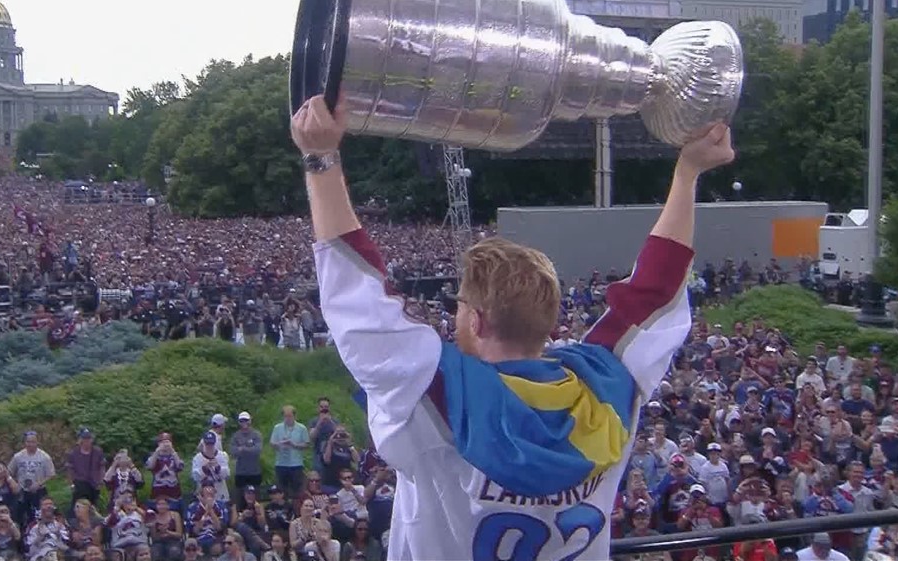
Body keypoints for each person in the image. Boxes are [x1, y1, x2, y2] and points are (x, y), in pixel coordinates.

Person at [290, 93, 735, 560]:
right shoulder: (607, 388)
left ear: (477, 320)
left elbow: (358, 300)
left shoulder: (435, 396)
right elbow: (655, 292)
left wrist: (320, 157)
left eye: (461, 306)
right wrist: (688, 173)